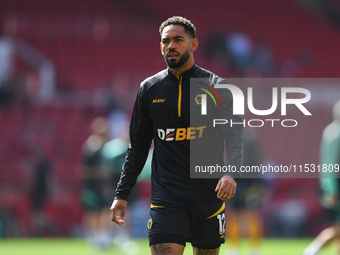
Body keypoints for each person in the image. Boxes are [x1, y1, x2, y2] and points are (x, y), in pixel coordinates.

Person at [110, 16, 244, 255]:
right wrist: (122, 193)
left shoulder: (217, 86)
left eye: (178, 40)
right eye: (165, 41)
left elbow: (234, 136)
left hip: (208, 194)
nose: (170, 45)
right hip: (167, 196)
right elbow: (138, 147)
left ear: (193, 45)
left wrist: (231, 173)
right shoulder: (149, 89)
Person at [302, 99, 340, 255]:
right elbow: (329, 164)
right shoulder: (335, 133)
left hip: (332, 186)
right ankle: (312, 251)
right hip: (334, 188)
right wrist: (331, 189)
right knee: (336, 229)